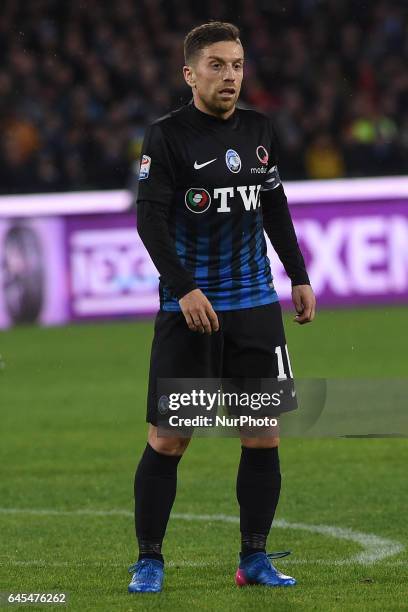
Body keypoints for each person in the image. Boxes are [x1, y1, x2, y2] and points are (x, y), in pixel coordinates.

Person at [128, 21, 316, 594]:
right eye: (217, 65)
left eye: (236, 65)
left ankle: (254, 560)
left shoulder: (260, 129)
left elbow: (275, 205)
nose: (230, 75)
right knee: (170, 437)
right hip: (192, 311)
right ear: (190, 74)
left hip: (256, 306)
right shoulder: (167, 137)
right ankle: (150, 561)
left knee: (262, 433)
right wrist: (183, 287)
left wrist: (299, 274)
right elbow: (149, 220)